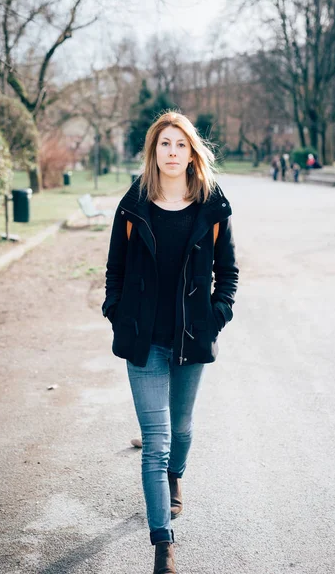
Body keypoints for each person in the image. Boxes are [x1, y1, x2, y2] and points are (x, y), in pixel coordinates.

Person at [101, 111, 239, 573]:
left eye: (181, 144)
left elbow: (229, 274)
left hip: (191, 338)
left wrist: (216, 315)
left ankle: (175, 478)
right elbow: (114, 268)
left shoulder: (211, 204)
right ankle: (163, 543)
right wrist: (115, 310)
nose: (172, 152)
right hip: (144, 341)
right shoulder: (134, 203)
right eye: (165, 145)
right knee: (156, 441)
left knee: (180, 430)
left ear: (192, 152)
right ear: (153, 152)